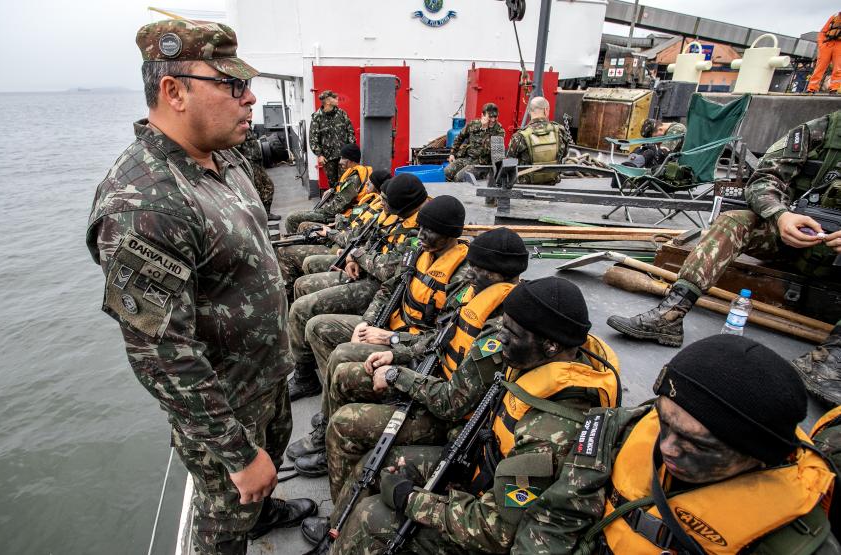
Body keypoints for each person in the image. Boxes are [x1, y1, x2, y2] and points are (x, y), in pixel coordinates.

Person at [85, 20, 315, 554]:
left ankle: (261, 515)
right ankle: (243, 522)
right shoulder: (145, 203)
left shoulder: (221, 158)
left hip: (265, 379)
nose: (250, 98)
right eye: (232, 85)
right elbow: (159, 354)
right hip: (224, 408)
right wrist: (238, 454)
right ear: (174, 91)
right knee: (224, 520)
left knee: (263, 482)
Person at [327, 278, 622, 554]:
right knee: (374, 464)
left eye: (512, 334)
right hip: (478, 469)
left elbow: (497, 529)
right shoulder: (532, 361)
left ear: (551, 345)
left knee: (371, 516)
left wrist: (411, 500)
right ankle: (335, 534)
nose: (500, 338)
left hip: (493, 523)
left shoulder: (551, 431)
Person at [512, 335, 838, 555]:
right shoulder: (624, 428)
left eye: (697, 444)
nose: (667, 447)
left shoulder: (794, 543)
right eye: (664, 422)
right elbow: (556, 517)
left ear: (758, 454)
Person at [607, 111, 841, 406]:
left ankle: (833, 360)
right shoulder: (821, 132)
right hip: (793, 238)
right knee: (734, 220)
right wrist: (781, 215)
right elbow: (763, 179)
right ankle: (671, 314)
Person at [289, 195, 471, 477]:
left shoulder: (462, 278)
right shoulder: (418, 251)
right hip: (390, 328)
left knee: (342, 354)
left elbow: (442, 337)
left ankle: (332, 435)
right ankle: (330, 413)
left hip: (414, 349)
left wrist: (391, 340)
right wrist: (367, 323)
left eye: (430, 231)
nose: (421, 235)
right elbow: (389, 289)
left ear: (450, 235)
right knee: (318, 327)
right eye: (420, 228)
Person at [286, 174, 428, 400]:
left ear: (402, 206)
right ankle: (308, 369)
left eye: (386, 201)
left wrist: (357, 255)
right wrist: (354, 257)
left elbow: (387, 270)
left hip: (377, 287)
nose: (381, 203)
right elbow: (370, 245)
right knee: (303, 290)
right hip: (368, 276)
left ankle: (315, 381)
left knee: (303, 308)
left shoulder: (420, 230)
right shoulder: (400, 217)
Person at [275, 169, 390, 295]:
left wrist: (331, 232)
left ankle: (292, 293)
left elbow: (353, 237)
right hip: (343, 240)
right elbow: (353, 223)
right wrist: (336, 225)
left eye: (370, 183)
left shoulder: (380, 211)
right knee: (304, 228)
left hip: (343, 247)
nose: (366, 184)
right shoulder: (372, 201)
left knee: (289, 252)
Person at [285, 143, 370, 233]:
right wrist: (332, 190)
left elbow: (337, 208)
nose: (340, 161)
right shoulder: (353, 173)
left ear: (349, 160)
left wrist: (320, 211)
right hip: (334, 211)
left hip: (338, 216)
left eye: (342, 158)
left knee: (291, 218)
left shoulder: (354, 178)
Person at [506, 96, 571, 184]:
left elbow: (509, 162)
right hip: (552, 182)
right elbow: (564, 153)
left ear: (529, 111)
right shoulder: (560, 130)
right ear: (546, 110)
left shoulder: (519, 136)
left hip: (527, 185)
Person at [444, 103, 506, 182]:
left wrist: (485, 130)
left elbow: (493, 153)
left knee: (459, 178)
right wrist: (452, 153)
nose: (493, 120)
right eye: (490, 117)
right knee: (446, 172)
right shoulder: (473, 124)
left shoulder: (499, 131)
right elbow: (460, 137)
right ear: (482, 115)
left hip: (481, 165)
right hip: (467, 159)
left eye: (495, 117)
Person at [235, 112, 278, 219]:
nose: (250, 113)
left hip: (257, 163)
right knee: (257, 190)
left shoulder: (248, 127)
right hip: (250, 164)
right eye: (247, 111)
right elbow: (236, 150)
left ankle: (266, 213)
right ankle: (260, 216)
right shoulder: (240, 128)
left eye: (251, 111)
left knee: (268, 186)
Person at [310, 90, 356, 185]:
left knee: (345, 181)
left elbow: (350, 131)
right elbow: (313, 138)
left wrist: (351, 149)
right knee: (333, 184)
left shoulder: (342, 114)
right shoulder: (317, 117)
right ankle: (334, 195)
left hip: (344, 156)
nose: (337, 99)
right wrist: (319, 155)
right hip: (328, 158)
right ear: (327, 101)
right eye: (334, 98)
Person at [621, 117, 687, 169]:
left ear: (660, 129)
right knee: (640, 149)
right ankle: (628, 167)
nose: (655, 142)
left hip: (680, 166)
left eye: (654, 138)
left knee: (650, 151)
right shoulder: (668, 131)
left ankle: (631, 167)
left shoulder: (677, 129)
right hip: (670, 164)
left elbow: (663, 152)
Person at [807, 12, 841, 94]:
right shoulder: (835, 16)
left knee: (838, 68)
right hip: (827, 45)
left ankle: (834, 89)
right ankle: (811, 88)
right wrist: (821, 44)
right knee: (819, 68)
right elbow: (823, 32)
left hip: (839, 46)